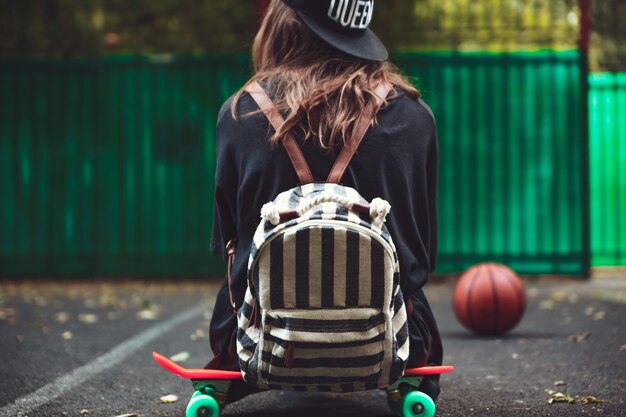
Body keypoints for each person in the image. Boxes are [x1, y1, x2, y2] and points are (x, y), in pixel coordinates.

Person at [208, 0, 443, 402]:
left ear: (284, 26)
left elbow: (228, 245)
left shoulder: (239, 113)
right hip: (399, 342)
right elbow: (421, 256)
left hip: (256, 340)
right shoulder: (415, 115)